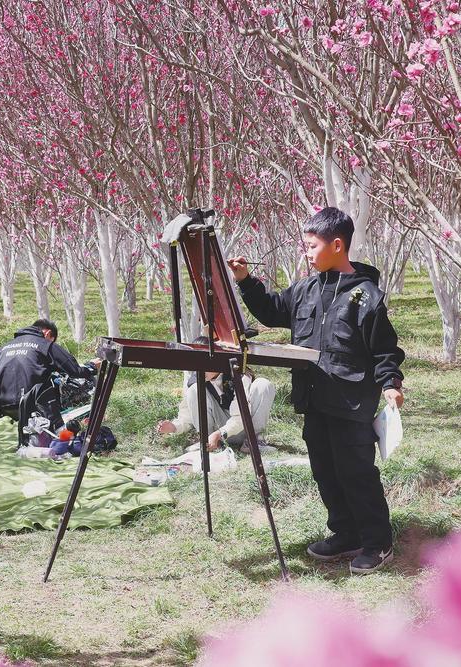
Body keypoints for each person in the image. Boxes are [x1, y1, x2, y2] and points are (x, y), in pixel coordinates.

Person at [228, 206, 405, 575]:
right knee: (325, 469)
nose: (307, 253)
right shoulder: (306, 289)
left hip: (351, 401)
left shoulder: (366, 296)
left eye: (312, 246)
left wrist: (391, 383)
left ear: (337, 246)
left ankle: (377, 542)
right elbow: (271, 311)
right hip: (313, 397)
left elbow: (384, 349)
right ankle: (346, 534)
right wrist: (245, 281)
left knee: (356, 472)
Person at [156, 337, 276, 453]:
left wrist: (221, 433)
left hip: (244, 428)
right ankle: (208, 443)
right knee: (194, 389)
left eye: (204, 362)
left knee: (263, 384)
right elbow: (187, 415)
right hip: (215, 434)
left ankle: (253, 443)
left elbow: (240, 416)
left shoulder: (237, 372)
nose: (200, 367)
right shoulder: (196, 380)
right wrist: (174, 427)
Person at [0, 318, 98, 429]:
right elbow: (75, 371)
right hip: (33, 406)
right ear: (48, 333)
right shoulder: (45, 345)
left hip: (2, 407)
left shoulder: (2, 348)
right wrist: (92, 367)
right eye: (52, 340)